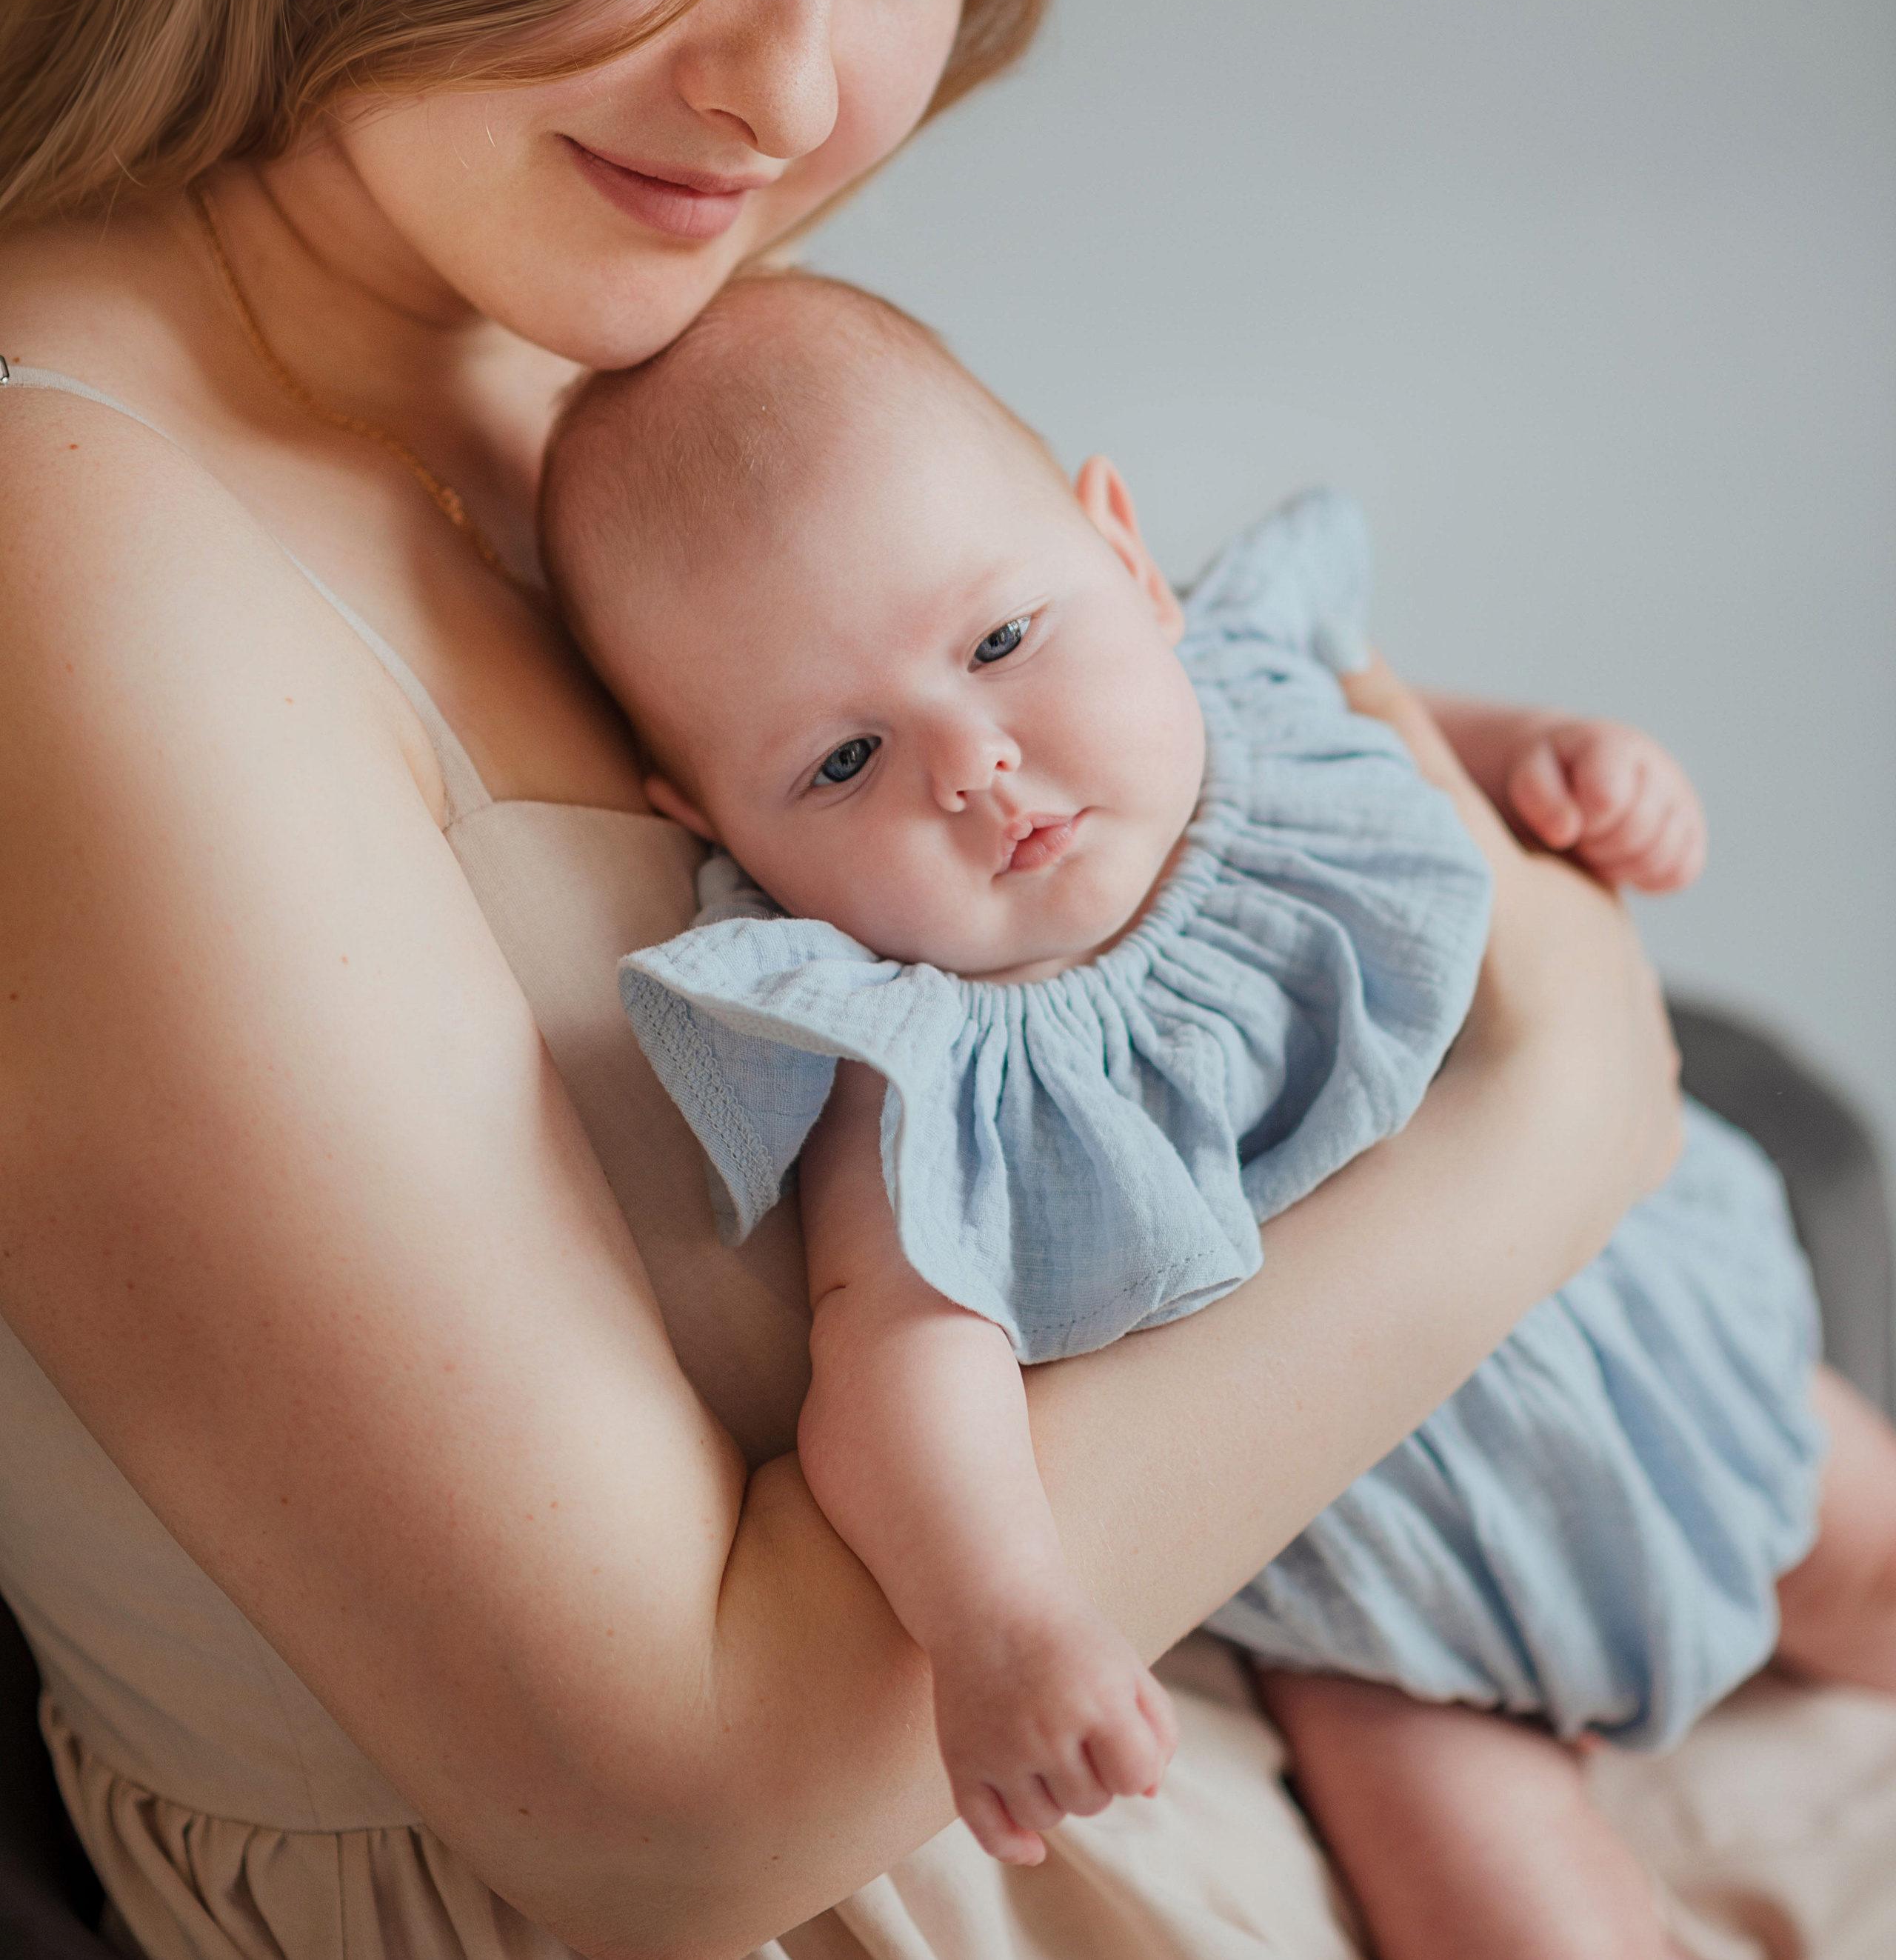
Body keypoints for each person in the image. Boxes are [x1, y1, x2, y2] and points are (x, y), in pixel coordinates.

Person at [0, 0, 1683, 1956]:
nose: (787, 100)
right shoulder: (73, 541)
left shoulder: (579, 370)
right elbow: (660, 1807)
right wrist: (1562, 1097)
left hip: (1163, 1751)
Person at [545, 270, 1896, 1956]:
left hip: (1655, 1334)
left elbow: (1439, 764)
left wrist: (1556, 757)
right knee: (1496, 1901)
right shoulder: (920, 1060)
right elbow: (895, 1360)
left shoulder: (1264, 691)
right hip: (1380, 1593)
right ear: (718, 828)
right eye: (838, 762)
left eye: (996, 640)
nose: (969, 760)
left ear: (1122, 553)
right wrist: (999, 1618)